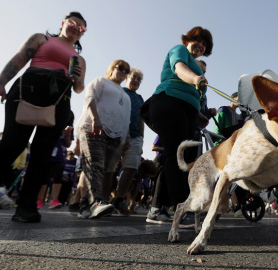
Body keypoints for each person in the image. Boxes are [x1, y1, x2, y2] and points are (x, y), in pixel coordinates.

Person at [0, 12, 87, 222]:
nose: (77, 28)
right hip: (28, 90)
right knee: (11, 144)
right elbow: (19, 59)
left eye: (82, 27)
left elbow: (79, 88)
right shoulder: (42, 39)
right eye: (73, 23)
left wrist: (76, 77)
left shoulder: (80, 58)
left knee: (42, 153)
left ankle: (27, 206)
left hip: (60, 100)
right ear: (63, 23)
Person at [147, 26, 213, 227]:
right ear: (187, 40)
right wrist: (196, 78)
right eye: (197, 40)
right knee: (176, 155)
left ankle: (162, 208)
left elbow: (191, 94)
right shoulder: (180, 50)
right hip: (169, 101)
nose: (200, 45)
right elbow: (178, 69)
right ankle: (178, 207)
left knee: (183, 159)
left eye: (204, 44)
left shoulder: (195, 64)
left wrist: (199, 114)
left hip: (186, 112)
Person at [74, 60, 131, 219]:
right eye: (121, 68)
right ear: (112, 68)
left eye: (127, 70)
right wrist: (95, 119)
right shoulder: (101, 81)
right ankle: (96, 202)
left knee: (102, 169)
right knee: (95, 164)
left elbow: (126, 118)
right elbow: (90, 97)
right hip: (94, 128)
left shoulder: (126, 95)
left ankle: (84, 207)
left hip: (115, 135)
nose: (123, 72)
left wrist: (126, 137)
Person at [106, 67, 145, 216]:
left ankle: (119, 199)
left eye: (139, 79)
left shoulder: (140, 98)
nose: (136, 80)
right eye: (134, 77)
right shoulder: (119, 92)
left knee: (131, 168)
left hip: (135, 137)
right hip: (116, 135)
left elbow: (142, 119)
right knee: (110, 168)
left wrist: (141, 138)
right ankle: (104, 199)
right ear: (127, 78)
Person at [37, 111, 74, 209]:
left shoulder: (69, 128)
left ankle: (54, 200)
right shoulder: (51, 123)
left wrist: (67, 134)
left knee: (58, 177)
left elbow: (68, 144)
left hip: (60, 156)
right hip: (47, 153)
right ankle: (39, 200)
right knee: (44, 177)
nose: (67, 118)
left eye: (69, 117)